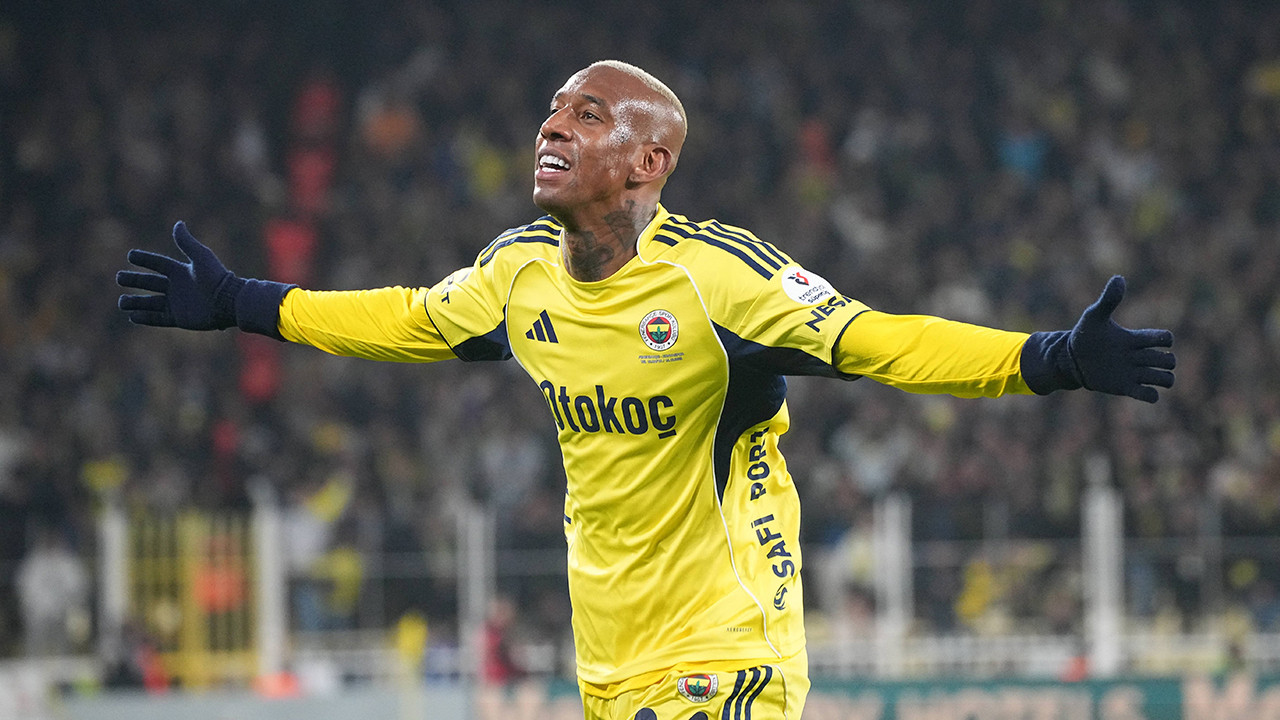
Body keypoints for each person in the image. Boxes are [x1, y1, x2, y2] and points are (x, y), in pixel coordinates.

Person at [118, 60, 1175, 719]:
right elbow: (406, 319)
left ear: (647, 161)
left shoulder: (719, 279)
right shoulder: (518, 273)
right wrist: (248, 301)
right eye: (551, 111)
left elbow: (878, 341)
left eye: (586, 116)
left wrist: (1047, 358)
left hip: (727, 656)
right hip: (609, 670)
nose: (551, 128)